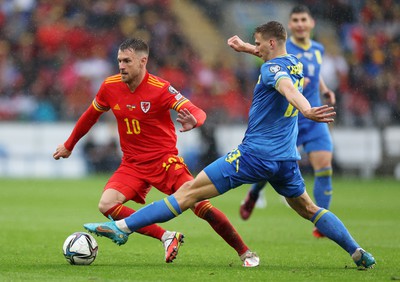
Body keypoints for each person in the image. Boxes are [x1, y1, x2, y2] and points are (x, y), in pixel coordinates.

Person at [83, 22, 375, 269]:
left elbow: (284, 86)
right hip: (286, 158)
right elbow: (278, 68)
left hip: (254, 155)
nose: (256, 48)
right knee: (309, 208)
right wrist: (246, 48)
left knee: (188, 193)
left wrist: (307, 109)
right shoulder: (294, 61)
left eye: (259, 44)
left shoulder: (273, 71)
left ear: (271, 43)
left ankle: (121, 228)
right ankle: (357, 251)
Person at [53, 38, 259, 267]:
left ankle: (245, 252)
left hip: (165, 163)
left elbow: (196, 110)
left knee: (202, 207)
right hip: (131, 164)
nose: (121, 65)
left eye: (127, 61)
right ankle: (166, 236)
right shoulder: (110, 86)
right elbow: (90, 116)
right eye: (119, 60)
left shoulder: (161, 89)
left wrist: (196, 121)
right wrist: (69, 145)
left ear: (143, 61)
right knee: (107, 205)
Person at [228, 5, 335, 239]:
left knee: (324, 166)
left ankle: (323, 224)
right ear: (289, 26)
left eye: (303, 19)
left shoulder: (317, 49)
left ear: (311, 23)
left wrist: (325, 89)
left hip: (314, 113)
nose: (299, 24)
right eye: (294, 20)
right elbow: (266, 55)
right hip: (291, 117)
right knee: (275, 164)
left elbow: (314, 73)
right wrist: (245, 47)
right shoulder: (286, 48)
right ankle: (255, 193)